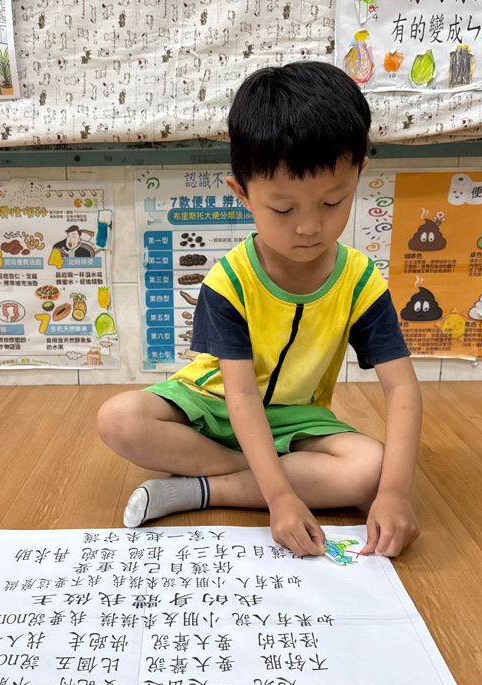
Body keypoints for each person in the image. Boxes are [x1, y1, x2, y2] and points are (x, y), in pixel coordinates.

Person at [97, 61, 422, 558]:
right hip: (214, 405)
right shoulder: (229, 282)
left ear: (359, 173)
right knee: (119, 418)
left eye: (333, 202)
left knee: (372, 469)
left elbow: (401, 387)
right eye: (284, 209)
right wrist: (281, 496)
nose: (309, 227)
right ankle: (265, 478)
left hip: (296, 420)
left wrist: (395, 494)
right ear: (242, 194)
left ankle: (201, 490)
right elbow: (242, 397)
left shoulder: (360, 282)